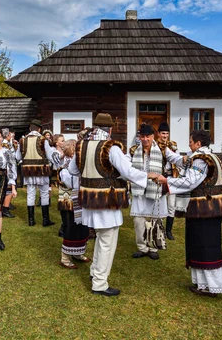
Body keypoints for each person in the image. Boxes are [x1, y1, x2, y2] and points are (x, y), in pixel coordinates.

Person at [67, 113, 153, 296]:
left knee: (101, 238)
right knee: (107, 241)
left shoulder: (82, 146)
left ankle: (94, 273)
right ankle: (99, 283)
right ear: (110, 129)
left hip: (89, 200)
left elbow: (73, 170)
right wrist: (148, 176)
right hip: (107, 200)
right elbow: (127, 171)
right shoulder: (110, 147)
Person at [157, 130, 222, 297]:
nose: (188, 144)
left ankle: (211, 285)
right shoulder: (209, 156)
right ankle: (203, 283)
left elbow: (189, 181)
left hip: (204, 208)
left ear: (198, 143)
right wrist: (164, 148)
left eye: (190, 141)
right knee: (199, 243)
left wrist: (165, 180)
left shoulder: (201, 160)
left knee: (205, 245)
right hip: (210, 208)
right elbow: (180, 160)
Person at [128, 124, 183, 260]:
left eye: (148, 136)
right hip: (139, 190)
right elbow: (124, 164)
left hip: (155, 189)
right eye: (143, 136)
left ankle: (152, 247)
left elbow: (175, 159)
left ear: (153, 136)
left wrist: (188, 160)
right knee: (138, 220)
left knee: (154, 219)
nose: (145, 139)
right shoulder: (133, 150)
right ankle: (142, 247)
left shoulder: (163, 149)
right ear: (139, 137)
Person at [57, 140, 91, 269]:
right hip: (68, 203)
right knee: (71, 228)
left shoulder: (78, 165)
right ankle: (65, 257)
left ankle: (78, 253)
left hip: (80, 201)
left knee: (82, 227)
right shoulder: (65, 167)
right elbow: (72, 183)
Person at [17, 119, 55, 227]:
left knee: (30, 194)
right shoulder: (43, 140)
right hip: (42, 170)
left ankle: (31, 220)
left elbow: (18, 157)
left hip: (28, 171)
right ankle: (45, 220)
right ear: (39, 129)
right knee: (44, 194)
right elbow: (49, 155)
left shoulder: (23, 140)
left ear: (30, 128)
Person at [156, 122, 180, 241]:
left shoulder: (172, 145)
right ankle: (159, 229)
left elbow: (177, 159)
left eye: (166, 133)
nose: (165, 136)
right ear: (158, 134)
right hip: (160, 178)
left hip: (172, 177)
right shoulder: (155, 145)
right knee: (160, 204)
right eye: (163, 133)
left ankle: (168, 231)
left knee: (172, 205)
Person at [48, 134, 66, 236]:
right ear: (57, 143)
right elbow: (57, 162)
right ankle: (63, 227)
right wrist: (65, 154)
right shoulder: (54, 152)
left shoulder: (64, 151)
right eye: (62, 141)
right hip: (60, 175)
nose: (64, 142)